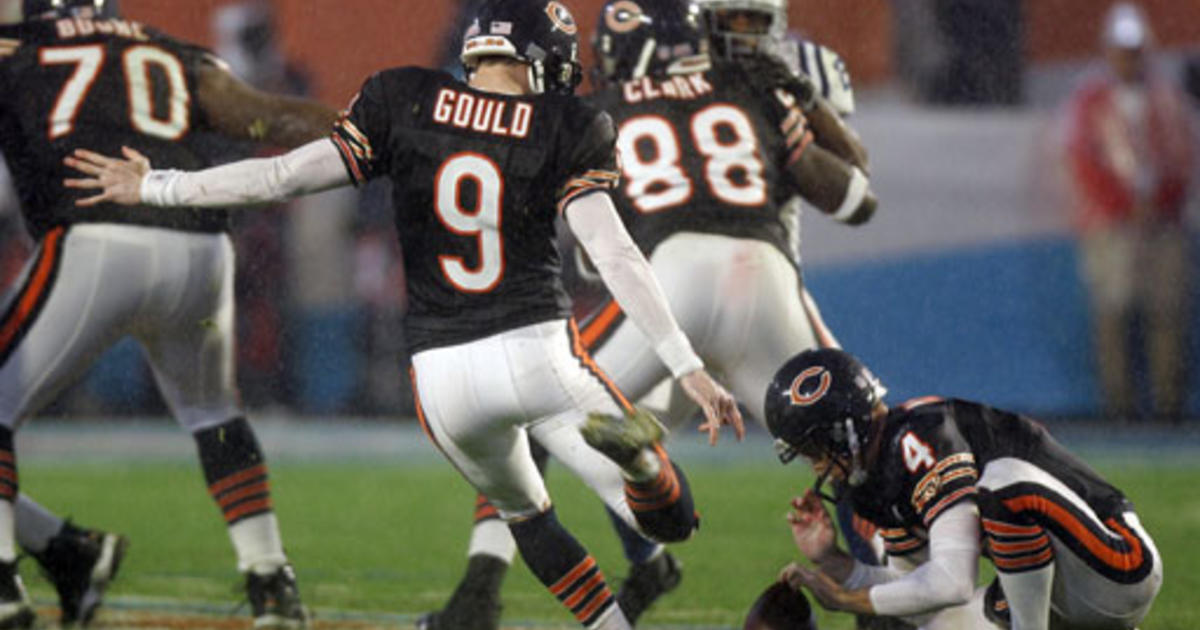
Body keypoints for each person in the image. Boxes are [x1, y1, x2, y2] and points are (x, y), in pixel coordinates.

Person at [62, 1, 746, 629]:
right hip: (539, 352)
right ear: (529, 56)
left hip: (442, 379)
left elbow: (282, 176)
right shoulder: (570, 124)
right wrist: (686, 366)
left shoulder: (405, 97)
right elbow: (616, 254)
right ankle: (640, 471)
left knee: (527, 519)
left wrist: (158, 183)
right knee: (670, 519)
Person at [421, 1, 878, 627]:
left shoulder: (598, 110)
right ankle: (891, 601)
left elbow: (586, 252)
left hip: (675, 276)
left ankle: (480, 590)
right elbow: (857, 199)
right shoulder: (745, 83)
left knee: (552, 422)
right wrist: (800, 106)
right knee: (856, 441)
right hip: (766, 276)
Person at [0, 0, 340, 626]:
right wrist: (369, 133)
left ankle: (4, 588)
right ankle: (270, 581)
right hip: (199, 244)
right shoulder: (169, 49)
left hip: (95, 240)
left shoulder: (18, 46)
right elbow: (262, 117)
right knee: (215, 414)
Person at [766, 348, 1163, 630]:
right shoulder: (875, 480)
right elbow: (920, 597)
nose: (816, 465)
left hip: (1117, 566)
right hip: (1057, 597)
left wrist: (845, 600)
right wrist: (834, 562)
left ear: (847, 431)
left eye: (815, 449)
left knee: (1003, 483)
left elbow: (953, 583)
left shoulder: (921, 439)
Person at [1062, 2, 1195, 423]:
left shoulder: (1166, 100)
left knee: (1167, 311)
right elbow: (1083, 162)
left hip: (1162, 223)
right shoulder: (1092, 103)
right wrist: (1122, 206)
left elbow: (1185, 159)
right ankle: (1119, 407)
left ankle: (1168, 407)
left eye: (1134, 49)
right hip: (1111, 226)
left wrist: (1160, 202)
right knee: (1113, 313)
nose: (1128, 58)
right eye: (1122, 49)